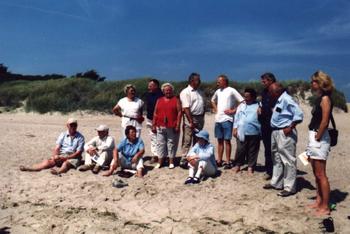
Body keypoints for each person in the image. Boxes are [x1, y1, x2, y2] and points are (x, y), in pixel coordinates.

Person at [263, 82, 303, 197]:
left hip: (285, 132)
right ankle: (276, 182)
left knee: (288, 159)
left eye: (270, 91)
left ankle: (290, 187)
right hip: (276, 131)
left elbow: (299, 114)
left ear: (277, 91)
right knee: (276, 158)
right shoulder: (279, 100)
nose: (269, 93)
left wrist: (290, 127)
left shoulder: (287, 99)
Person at [306, 71, 334, 216]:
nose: (312, 84)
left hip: (320, 138)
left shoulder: (325, 99)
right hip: (315, 136)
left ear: (321, 82)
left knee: (321, 173)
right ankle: (318, 200)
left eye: (314, 81)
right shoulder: (319, 98)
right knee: (315, 172)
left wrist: (317, 136)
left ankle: (325, 206)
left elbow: (325, 120)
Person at [19, 118, 85, 175]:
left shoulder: (80, 137)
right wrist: (55, 156)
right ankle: (31, 168)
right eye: (71, 125)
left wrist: (66, 158)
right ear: (67, 125)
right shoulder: (63, 135)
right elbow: (57, 148)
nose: (73, 127)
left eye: (75, 125)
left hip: (73, 157)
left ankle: (58, 172)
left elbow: (78, 153)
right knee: (49, 162)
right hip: (62, 155)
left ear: (77, 126)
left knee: (66, 163)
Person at [211, 74, 244, 169]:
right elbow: (212, 100)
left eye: (219, 81)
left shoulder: (231, 90)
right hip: (218, 119)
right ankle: (220, 160)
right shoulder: (218, 91)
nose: (217, 83)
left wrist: (233, 110)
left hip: (228, 119)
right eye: (217, 81)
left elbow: (242, 101)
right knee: (219, 140)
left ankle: (228, 161)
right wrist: (216, 109)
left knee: (227, 140)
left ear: (224, 81)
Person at [152, 83, 182, 169]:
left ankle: (171, 161)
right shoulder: (159, 100)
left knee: (171, 143)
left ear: (172, 90)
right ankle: (160, 161)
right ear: (163, 91)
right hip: (160, 125)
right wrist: (153, 124)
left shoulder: (176, 100)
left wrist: (178, 125)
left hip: (172, 125)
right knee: (160, 144)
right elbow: (155, 113)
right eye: (166, 90)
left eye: (169, 90)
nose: (168, 91)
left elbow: (179, 113)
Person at [179, 73, 205, 169]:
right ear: (191, 81)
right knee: (187, 139)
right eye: (198, 79)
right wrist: (191, 121)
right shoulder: (185, 92)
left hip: (200, 117)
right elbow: (186, 108)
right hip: (190, 117)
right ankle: (184, 159)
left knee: (198, 138)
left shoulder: (200, 92)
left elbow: (203, 105)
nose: (199, 81)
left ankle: (194, 157)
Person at [233, 88, 261, 174]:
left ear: (253, 97)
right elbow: (237, 117)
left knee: (252, 150)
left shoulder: (258, 105)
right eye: (245, 96)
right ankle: (238, 165)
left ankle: (250, 166)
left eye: (248, 96)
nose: (245, 98)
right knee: (240, 149)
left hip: (254, 131)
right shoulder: (241, 105)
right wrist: (234, 128)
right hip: (241, 131)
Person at [259, 72, 277, 180]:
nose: (262, 83)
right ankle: (269, 171)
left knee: (276, 149)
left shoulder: (278, 91)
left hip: (275, 125)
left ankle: (278, 172)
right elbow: (262, 104)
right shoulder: (264, 92)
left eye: (264, 81)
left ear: (270, 80)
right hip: (265, 123)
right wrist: (260, 108)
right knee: (267, 148)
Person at [143, 79, 163, 163]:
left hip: (160, 119)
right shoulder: (147, 94)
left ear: (156, 86)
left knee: (161, 138)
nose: (148, 87)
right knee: (153, 137)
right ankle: (155, 155)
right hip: (149, 118)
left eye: (150, 86)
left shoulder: (162, 95)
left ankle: (161, 156)